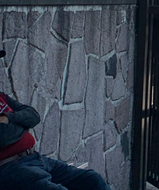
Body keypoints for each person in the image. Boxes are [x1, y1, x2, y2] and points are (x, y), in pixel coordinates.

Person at [0, 49, 111, 190]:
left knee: (92, 180)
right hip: (11, 168)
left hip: (36, 158)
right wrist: (22, 125)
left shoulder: (2, 97)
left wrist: (8, 118)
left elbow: (33, 116)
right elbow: (4, 137)